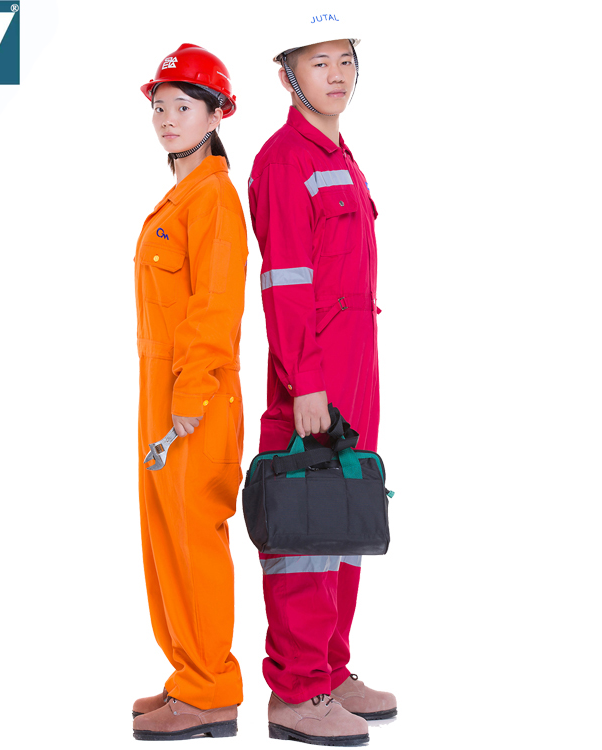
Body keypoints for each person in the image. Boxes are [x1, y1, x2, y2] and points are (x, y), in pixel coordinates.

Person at [247, 11, 397, 746]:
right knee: (304, 527)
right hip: (311, 373)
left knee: (344, 517)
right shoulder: (284, 161)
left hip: (355, 364)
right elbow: (285, 281)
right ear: (286, 75)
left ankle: (331, 671)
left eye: (345, 60)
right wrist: (304, 380)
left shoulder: (341, 154)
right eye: (318, 62)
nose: (336, 75)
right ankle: (296, 691)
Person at [132, 43, 248, 741]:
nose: (167, 118)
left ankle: (211, 690)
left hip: (194, 398)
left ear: (216, 115)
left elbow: (216, 308)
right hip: (162, 390)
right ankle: (188, 675)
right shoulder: (180, 197)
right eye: (159, 106)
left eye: (183, 106)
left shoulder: (214, 199)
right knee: (164, 540)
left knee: (194, 537)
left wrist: (190, 399)